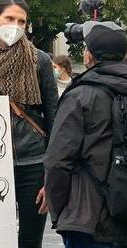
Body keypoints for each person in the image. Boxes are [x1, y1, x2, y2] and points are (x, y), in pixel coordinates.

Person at [0, 1, 58, 247]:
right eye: (9, 19)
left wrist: (52, 174)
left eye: (21, 21)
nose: (15, 26)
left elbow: (54, 117)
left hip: (34, 163)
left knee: (30, 238)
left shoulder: (41, 60)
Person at [44, 21, 127, 248]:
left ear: (88, 55)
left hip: (88, 217)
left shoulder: (80, 95)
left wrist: (60, 211)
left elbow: (57, 160)